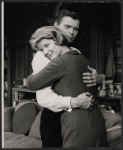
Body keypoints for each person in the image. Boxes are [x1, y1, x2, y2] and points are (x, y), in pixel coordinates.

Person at [27, 10, 121, 148]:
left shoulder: (75, 52)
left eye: (75, 29)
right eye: (67, 27)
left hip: (80, 116)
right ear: (55, 26)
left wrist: (99, 79)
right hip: (55, 118)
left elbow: (82, 83)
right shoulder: (43, 55)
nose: (71, 32)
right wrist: (74, 102)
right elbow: (43, 97)